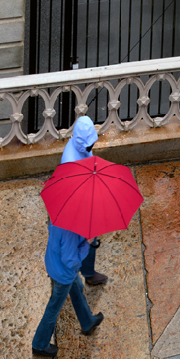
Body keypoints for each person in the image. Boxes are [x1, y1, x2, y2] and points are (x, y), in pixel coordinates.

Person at [31, 221, 105, 357]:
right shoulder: (71, 231)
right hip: (63, 273)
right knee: (53, 308)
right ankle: (39, 344)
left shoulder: (60, 218)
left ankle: (87, 322)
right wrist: (86, 244)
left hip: (54, 263)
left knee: (77, 288)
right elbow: (70, 260)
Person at [60, 115, 108, 286]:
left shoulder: (79, 146)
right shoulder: (71, 163)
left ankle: (86, 273)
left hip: (85, 201)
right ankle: (79, 276)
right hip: (79, 209)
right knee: (82, 244)